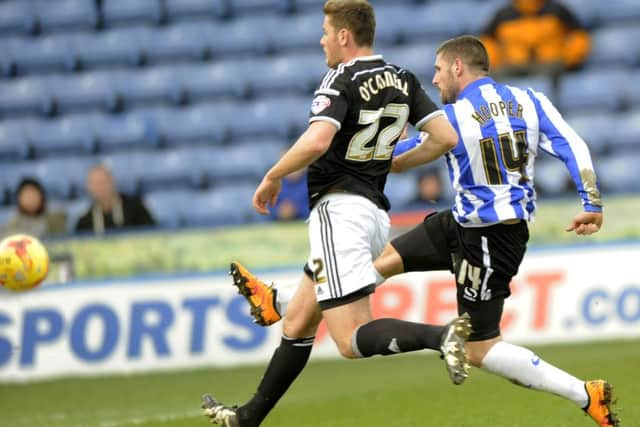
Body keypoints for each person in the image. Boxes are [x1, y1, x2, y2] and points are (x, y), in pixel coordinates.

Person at [228, 35, 620, 426]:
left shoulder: (454, 116)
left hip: (490, 239)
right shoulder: (530, 100)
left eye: (437, 70)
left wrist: (371, 145)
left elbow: (398, 159)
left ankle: (585, 394)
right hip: (460, 221)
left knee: (480, 348)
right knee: (371, 263)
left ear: (457, 67)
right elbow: (572, 144)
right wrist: (591, 202)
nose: (434, 80)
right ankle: (279, 304)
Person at [202, 1, 471, 426]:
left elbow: (317, 140)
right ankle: (248, 417)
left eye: (326, 31)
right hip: (373, 216)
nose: (322, 39)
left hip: (339, 210)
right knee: (297, 322)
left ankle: (440, 335)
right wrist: (398, 162)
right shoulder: (403, 78)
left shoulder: (341, 77)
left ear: (344, 36)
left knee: (349, 339)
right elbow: (444, 136)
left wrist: (273, 176)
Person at [480, 0, 591, 77]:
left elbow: (579, 35)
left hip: (550, 66)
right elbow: (487, 41)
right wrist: (496, 61)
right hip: (514, 67)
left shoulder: (558, 10)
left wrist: (568, 58)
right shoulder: (502, 15)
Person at [75, 164, 155, 234]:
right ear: (89, 188)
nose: (100, 188)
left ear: (112, 182)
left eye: (103, 182)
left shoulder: (136, 208)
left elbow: (153, 234)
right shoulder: (85, 222)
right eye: (95, 184)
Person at [1, 177, 67, 238]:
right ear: (18, 199)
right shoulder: (12, 226)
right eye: (27, 195)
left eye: (34, 194)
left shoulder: (55, 219)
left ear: (41, 196)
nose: (31, 199)